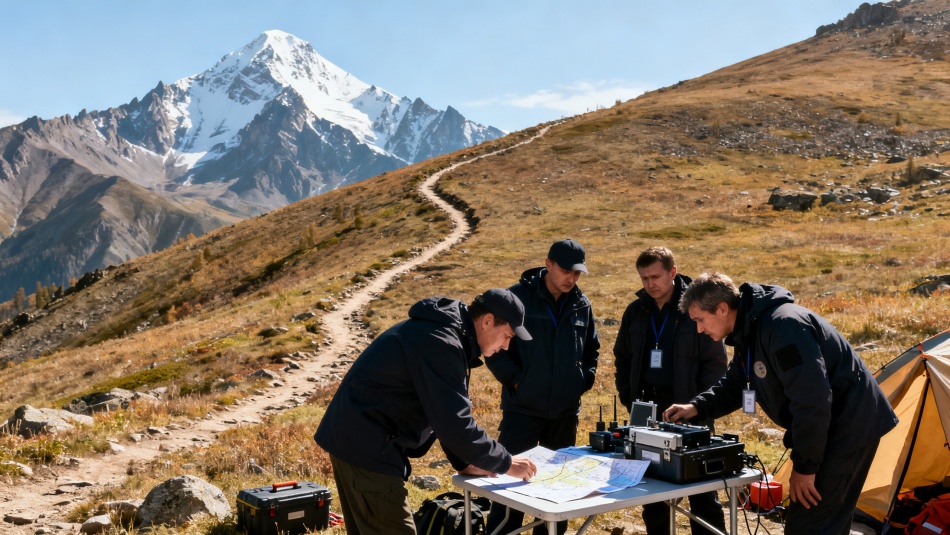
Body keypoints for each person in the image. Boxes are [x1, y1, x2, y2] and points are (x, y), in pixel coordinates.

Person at [663, 272, 899, 535]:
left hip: (849, 426)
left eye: (700, 320)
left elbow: (812, 402)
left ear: (721, 308)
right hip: (831, 426)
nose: (699, 329)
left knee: (811, 523)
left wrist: (805, 468)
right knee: (822, 521)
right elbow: (735, 383)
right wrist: (696, 407)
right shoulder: (749, 330)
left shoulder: (783, 327)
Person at [314, 288, 539, 535]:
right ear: (487, 321)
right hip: (367, 448)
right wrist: (506, 462)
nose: (506, 346)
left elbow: (441, 413)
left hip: (356, 439)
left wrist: (463, 462)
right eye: (506, 335)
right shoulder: (441, 342)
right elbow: (455, 424)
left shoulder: (449, 335)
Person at [485, 238, 600, 535]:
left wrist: (581, 381)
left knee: (556, 493)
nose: (571, 279)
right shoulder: (516, 299)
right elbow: (495, 349)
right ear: (548, 265)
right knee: (507, 492)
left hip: (564, 414)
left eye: (577, 273)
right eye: (565, 271)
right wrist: (517, 381)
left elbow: (591, 350)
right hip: (522, 410)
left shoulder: (581, 304)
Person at [613, 247, 728, 535]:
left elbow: (715, 364)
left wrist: (699, 404)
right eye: (644, 278)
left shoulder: (696, 307)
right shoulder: (636, 312)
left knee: (702, 491)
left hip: (690, 407)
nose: (651, 284)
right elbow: (622, 358)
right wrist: (629, 398)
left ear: (673, 272)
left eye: (656, 276)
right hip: (647, 407)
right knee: (652, 490)